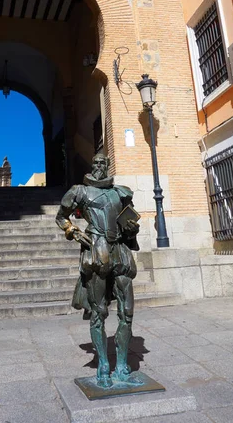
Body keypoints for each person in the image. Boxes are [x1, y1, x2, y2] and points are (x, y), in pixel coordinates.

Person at [56, 153, 140, 388]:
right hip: (96, 249)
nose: (99, 165)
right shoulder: (79, 192)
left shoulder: (120, 192)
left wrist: (132, 229)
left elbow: (129, 225)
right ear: (91, 166)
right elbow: (61, 217)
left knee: (127, 311)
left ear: (108, 166)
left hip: (120, 250)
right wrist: (72, 231)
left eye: (103, 162)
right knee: (98, 311)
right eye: (96, 162)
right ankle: (103, 363)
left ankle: (122, 365)